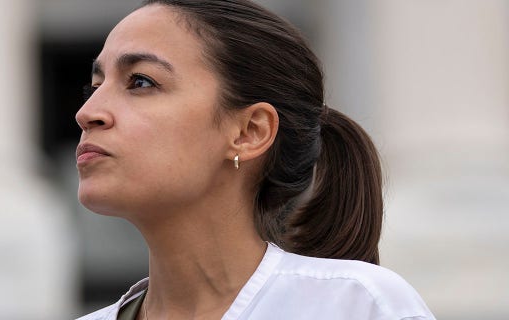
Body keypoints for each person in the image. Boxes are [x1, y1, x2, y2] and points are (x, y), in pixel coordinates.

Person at [74, 0, 435, 319]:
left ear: (250, 132)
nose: (88, 112)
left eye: (140, 82)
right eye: (95, 85)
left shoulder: (356, 305)